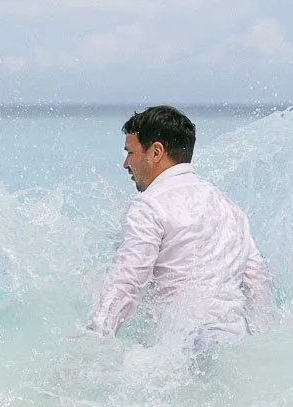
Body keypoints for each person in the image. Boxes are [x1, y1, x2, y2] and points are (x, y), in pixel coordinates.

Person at [87, 105, 275, 347]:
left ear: (156, 152)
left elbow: (129, 278)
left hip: (184, 346)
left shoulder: (150, 205)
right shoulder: (229, 207)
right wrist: (267, 340)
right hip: (234, 343)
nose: (125, 164)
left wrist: (94, 337)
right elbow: (257, 280)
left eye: (130, 153)